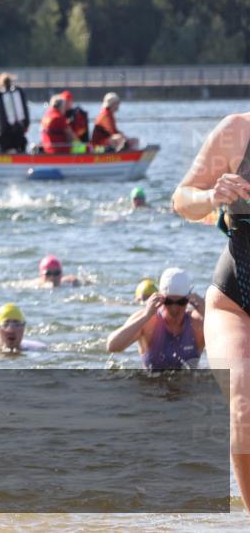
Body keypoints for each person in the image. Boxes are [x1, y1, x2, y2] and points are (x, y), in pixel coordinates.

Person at [172, 111, 250, 511]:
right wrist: (210, 197)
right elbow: (181, 199)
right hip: (236, 301)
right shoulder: (238, 131)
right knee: (245, 399)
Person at [106, 268, 205, 369]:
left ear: (189, 299)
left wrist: (207, 312)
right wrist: (146, 316)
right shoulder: (147, 322)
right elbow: (112, 346)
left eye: (181, 302)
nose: (174, 308)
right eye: (168, 302)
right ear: (160, 298)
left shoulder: (198, 323)